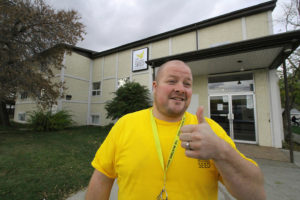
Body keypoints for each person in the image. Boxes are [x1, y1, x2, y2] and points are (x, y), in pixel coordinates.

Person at [85, 60, 266, 200]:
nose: (180, 88)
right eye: (172, 81)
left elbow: (256, 194)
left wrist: (221, 151)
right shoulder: (125, 124)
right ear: (155, 88)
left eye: (187, 84)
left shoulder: (209, 132)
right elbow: (102, 179)